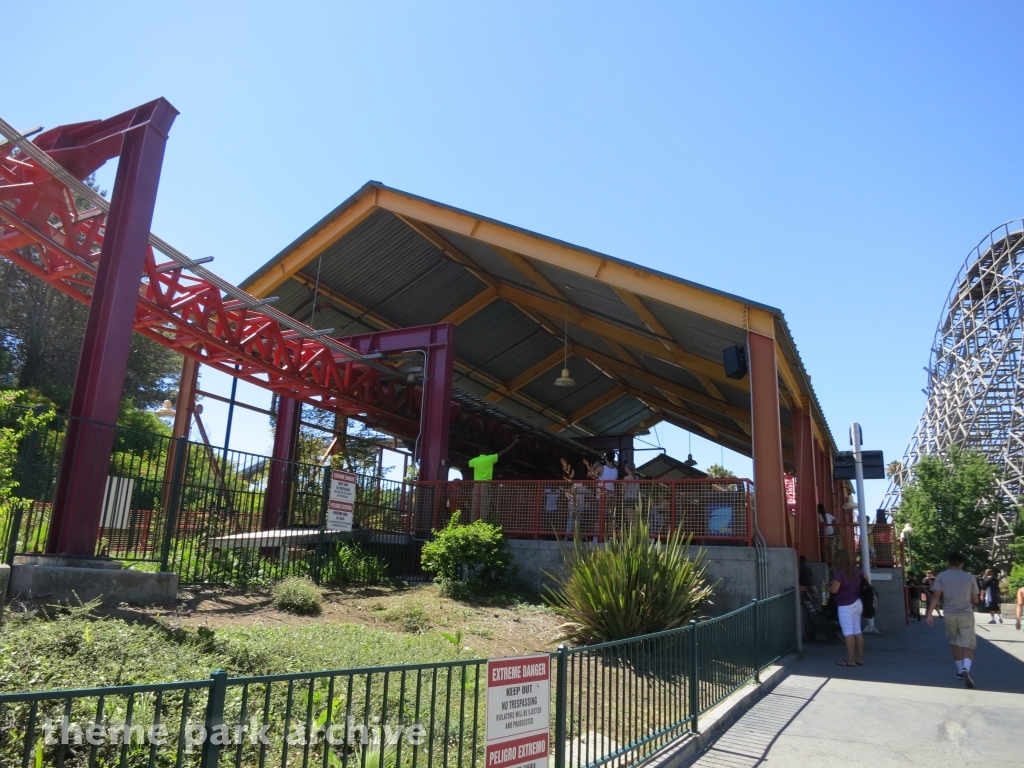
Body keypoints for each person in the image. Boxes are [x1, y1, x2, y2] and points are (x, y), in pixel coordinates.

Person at [927, 552, 980, 689]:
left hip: (949, 613)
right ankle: (966, 668)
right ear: (962, 563)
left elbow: (936, 596)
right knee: (969, 644)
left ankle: (959, 670)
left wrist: (930, 614)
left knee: (954, 642)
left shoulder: (942, 576)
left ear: (948, 562)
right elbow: (975, 599)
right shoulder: (969, 578)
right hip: (966, 614)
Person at [467, 436, 519, 523]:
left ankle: (472, 523)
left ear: (479, 452)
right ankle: (482, 525)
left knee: (474, 506)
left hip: (476, 486)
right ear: (487, 452)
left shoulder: (474, 460)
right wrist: (514, 442)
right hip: (485, 485)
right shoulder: (490, 459)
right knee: (484, 506)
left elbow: (468, 464)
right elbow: (503, 452)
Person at [828, 549, 864, 667]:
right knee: (857, 631)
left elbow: (834, 590)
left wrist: (826, 587)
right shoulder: (857, 571)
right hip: (857, 602)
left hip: (845, 605)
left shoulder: (839, 574)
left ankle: (851, 660)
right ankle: (859, 658)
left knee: (848, 633)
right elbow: (867, 579)